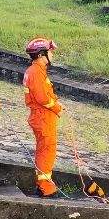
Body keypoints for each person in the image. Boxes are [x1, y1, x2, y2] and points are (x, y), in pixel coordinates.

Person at [22, 37, 64, 198]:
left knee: (45, 150)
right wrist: (57, 107)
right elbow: (42, 98)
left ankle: (44, 184)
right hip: (42, 117)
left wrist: (57, 103)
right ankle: (45, 187)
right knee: (46, 151)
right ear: (41, 54)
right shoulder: (35, 72)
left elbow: (47, 94)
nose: (52, 55)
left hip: (43, 116)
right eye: (50, 52)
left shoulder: (38, 71)